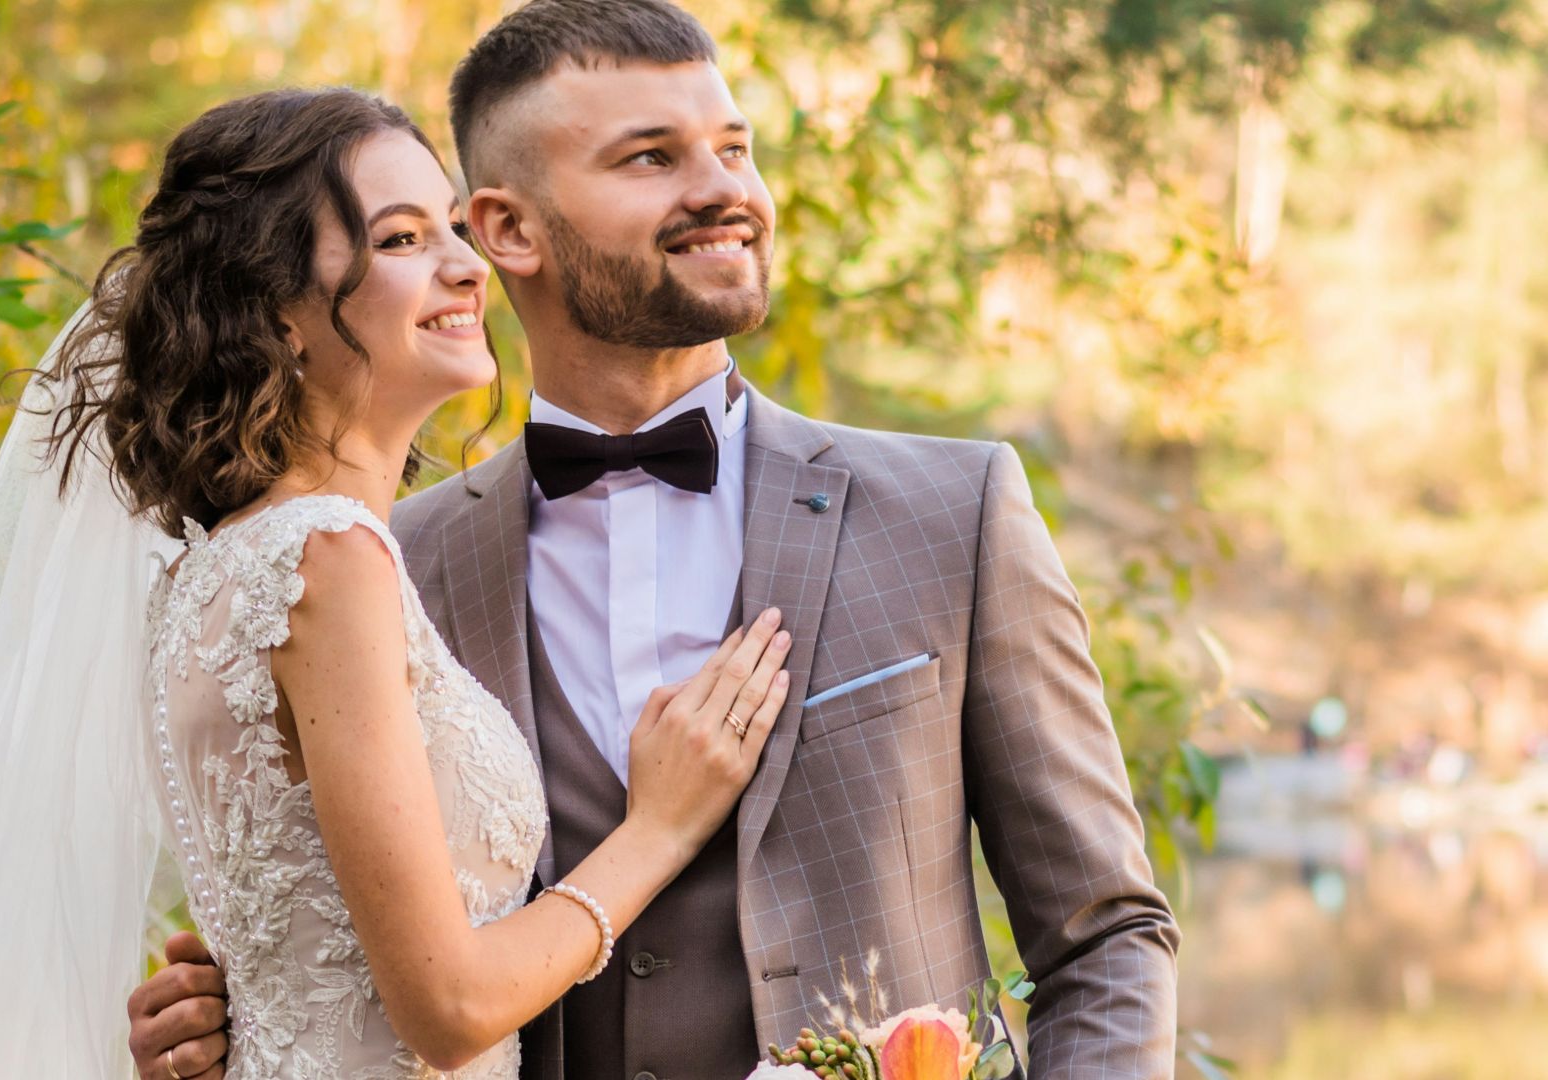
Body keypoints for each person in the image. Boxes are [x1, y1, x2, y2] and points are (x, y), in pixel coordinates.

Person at [131, 1, 1181, 1079]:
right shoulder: (387, 557)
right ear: (508, 230)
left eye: (734, 149)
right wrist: (229, 1021)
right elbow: (368, 953)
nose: (726, 189)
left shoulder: (951, 514)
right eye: (651, 157)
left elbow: (1107, 938)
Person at [0, 87, 791, 1079]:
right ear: (281, 315)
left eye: (451, 230)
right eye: (400, 240)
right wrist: (661, 827)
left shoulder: (210, 574)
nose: (465, 267)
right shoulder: (325, 563)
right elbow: (450, 1005)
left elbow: (302, 945)